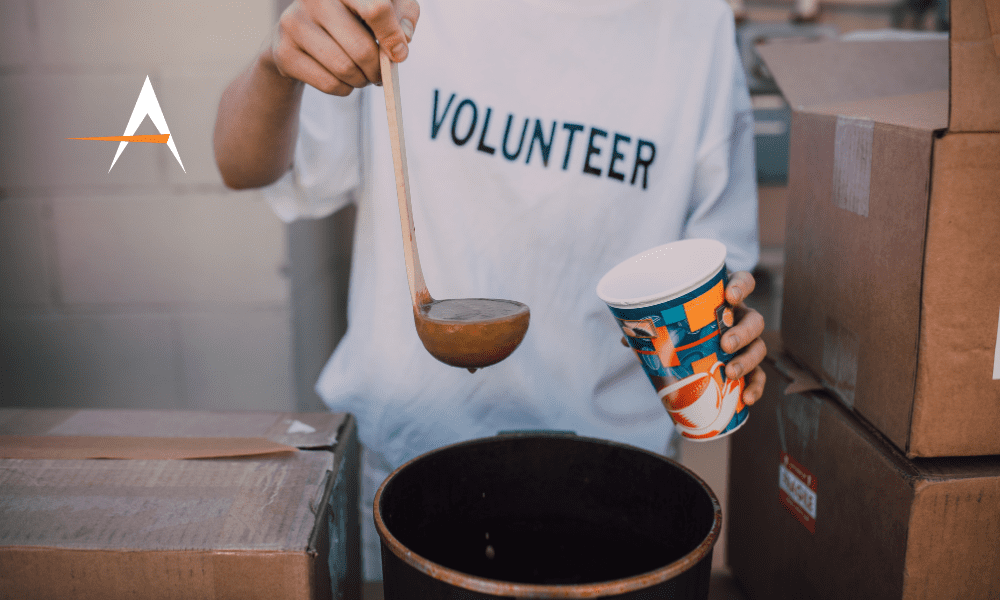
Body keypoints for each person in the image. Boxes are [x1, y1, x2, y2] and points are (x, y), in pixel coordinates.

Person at [214, 0, 767, 580]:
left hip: (614, 492)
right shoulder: (391, 9)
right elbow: (241, 165)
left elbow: (717, 269)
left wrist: (732, 331)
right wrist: (277, 67)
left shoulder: (695, 22)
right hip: (401, 482)